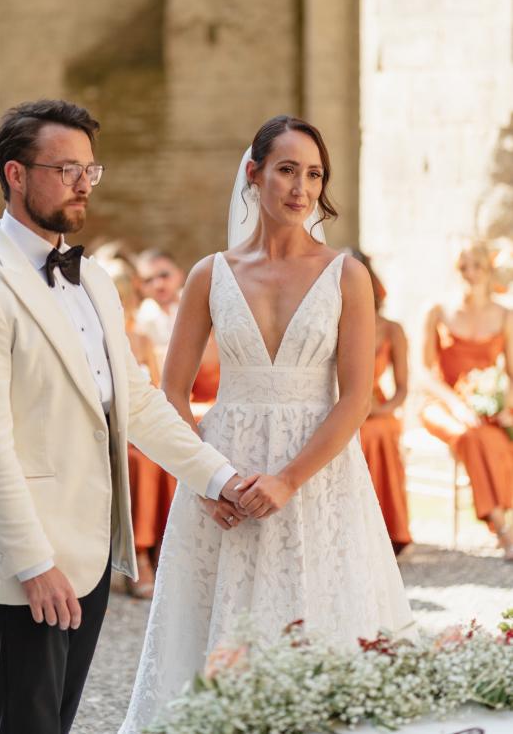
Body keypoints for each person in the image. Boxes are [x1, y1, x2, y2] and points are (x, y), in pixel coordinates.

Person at [0, 99, 245, 734]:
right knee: (28, 725)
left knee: (57, 722)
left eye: (89, 170)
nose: (82, 183)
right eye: (65, 168)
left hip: (94, 546)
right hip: (32, 557)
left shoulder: (94, 277)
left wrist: (219, 479)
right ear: (15, 175)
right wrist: (32, 564)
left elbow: (137, 401)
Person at [120, 115, 414, 733]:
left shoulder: (346, 275)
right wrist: (206, 480)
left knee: (321, 612)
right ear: (253, 174)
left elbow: (355, 397)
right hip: (225, 469)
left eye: (314, 174)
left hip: (318, 471)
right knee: (215, 622)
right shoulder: (210, 273)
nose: (301, 188)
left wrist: (288, 480)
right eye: (287, 170)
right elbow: (170, 391)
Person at [421, 240, 513, 558]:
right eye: (463, 267)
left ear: (489, 270)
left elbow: (512, 373)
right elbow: (425, 374)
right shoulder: (437, 310)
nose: (470, 274)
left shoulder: (505, 315)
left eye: (477, 267)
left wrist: (504, 406)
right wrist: (456, 405)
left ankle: (501, 525)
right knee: (468, 435)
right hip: (442, 404)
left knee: (489, 437)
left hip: (487, 407)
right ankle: (502, 528)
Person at [104, 256, 170, 598]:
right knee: (142, 464)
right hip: (113, 432)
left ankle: (165, 551)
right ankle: (139, 556)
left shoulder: (141, 338)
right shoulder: (99, 337)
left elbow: (157, 391)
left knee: (170, 460)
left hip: (144, 429)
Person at [350, 250, 412, 554]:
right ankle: (350, 531)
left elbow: (402, 389)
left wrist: (381, 409)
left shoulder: (392, 330)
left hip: (378, 407)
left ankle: (389, 530)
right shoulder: (336, 324)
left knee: (380, 432)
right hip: (343, 405)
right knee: (353, 433)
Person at [135, 250, 184, 370]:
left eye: (164, 275)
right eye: (148, 280)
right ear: (140, 286)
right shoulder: (139, 320)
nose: (158, 285)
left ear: (180, 275)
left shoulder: (200, 304)